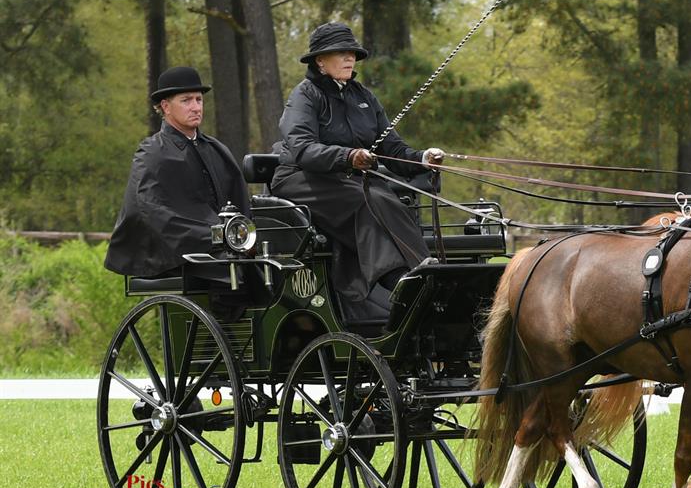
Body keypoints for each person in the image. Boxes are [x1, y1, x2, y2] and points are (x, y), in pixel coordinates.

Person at [270, 21, 444, 321]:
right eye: (341, 53)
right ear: (320, 61)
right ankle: (398, 281)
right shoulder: (305, 95)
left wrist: (423, 159)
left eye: (352, 52)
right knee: (369, 199)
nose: (350, 58)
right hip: (300, 178)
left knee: (387, 196)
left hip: (347, 182)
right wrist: (348, 156)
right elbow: (303, 149)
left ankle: (423, 270)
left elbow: (392, 149)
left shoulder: (363, 97)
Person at [105, 66, 251, 277]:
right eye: (186, 100)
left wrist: (241, 238)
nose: (195, 107)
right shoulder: (152, 153)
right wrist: (213, 237)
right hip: (171, 257)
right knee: (237, 276)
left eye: (199, 100)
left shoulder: (217, 150)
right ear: (166, 106)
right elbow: (151, 210)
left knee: (271, 271)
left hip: (224, 249)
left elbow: (240, 204)